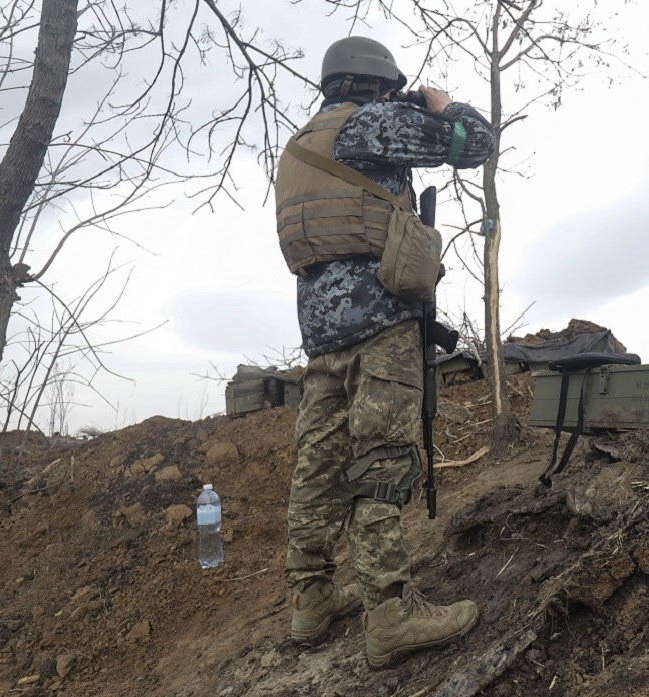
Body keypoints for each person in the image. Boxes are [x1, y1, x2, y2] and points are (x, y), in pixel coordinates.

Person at [273, 36, 495, 668]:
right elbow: (473, 144)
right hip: (381, 321)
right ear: (375, 83)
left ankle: (310, 602)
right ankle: (389, 617)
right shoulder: (370, 125)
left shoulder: (300, 145)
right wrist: (444, 104)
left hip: (320, 333)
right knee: (382, 460)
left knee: (318, 465)